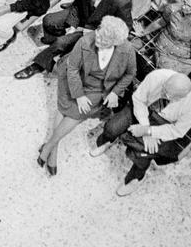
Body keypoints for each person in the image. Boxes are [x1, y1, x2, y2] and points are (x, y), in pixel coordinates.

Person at [37, 18, 136, 176]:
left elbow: (130, 74)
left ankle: (49, 146)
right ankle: (52, 150)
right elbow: (73, 69)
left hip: (98, 89)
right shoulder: (85, 42)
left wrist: (115, 92)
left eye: (103, 38)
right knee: (66, 109)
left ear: (115, 42)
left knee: (77, 113)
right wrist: (79, 95)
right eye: (98, 31)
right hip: (74, 79)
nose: (97, 37)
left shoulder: (127, 50)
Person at [16, 0, 132, 81]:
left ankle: (40, 65)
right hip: (81, 12)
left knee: (62, 43)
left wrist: (94, 33)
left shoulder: (121, 2)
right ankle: (53, 43)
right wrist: (73, 22)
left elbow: (124, 29)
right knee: (49, 21)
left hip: (94, 29)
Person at [96, 68, 191, 190]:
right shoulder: (158, 76)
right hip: (143, 109)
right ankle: (106, 142)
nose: (165, 95)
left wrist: (149, 132)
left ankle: (137, 177)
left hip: (163, 124)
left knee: (145, 153)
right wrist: (145, 127)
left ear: (183, 97)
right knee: (112, 128)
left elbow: (177, 131)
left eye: (170, 96)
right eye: (164, 90)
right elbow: (138, 99)